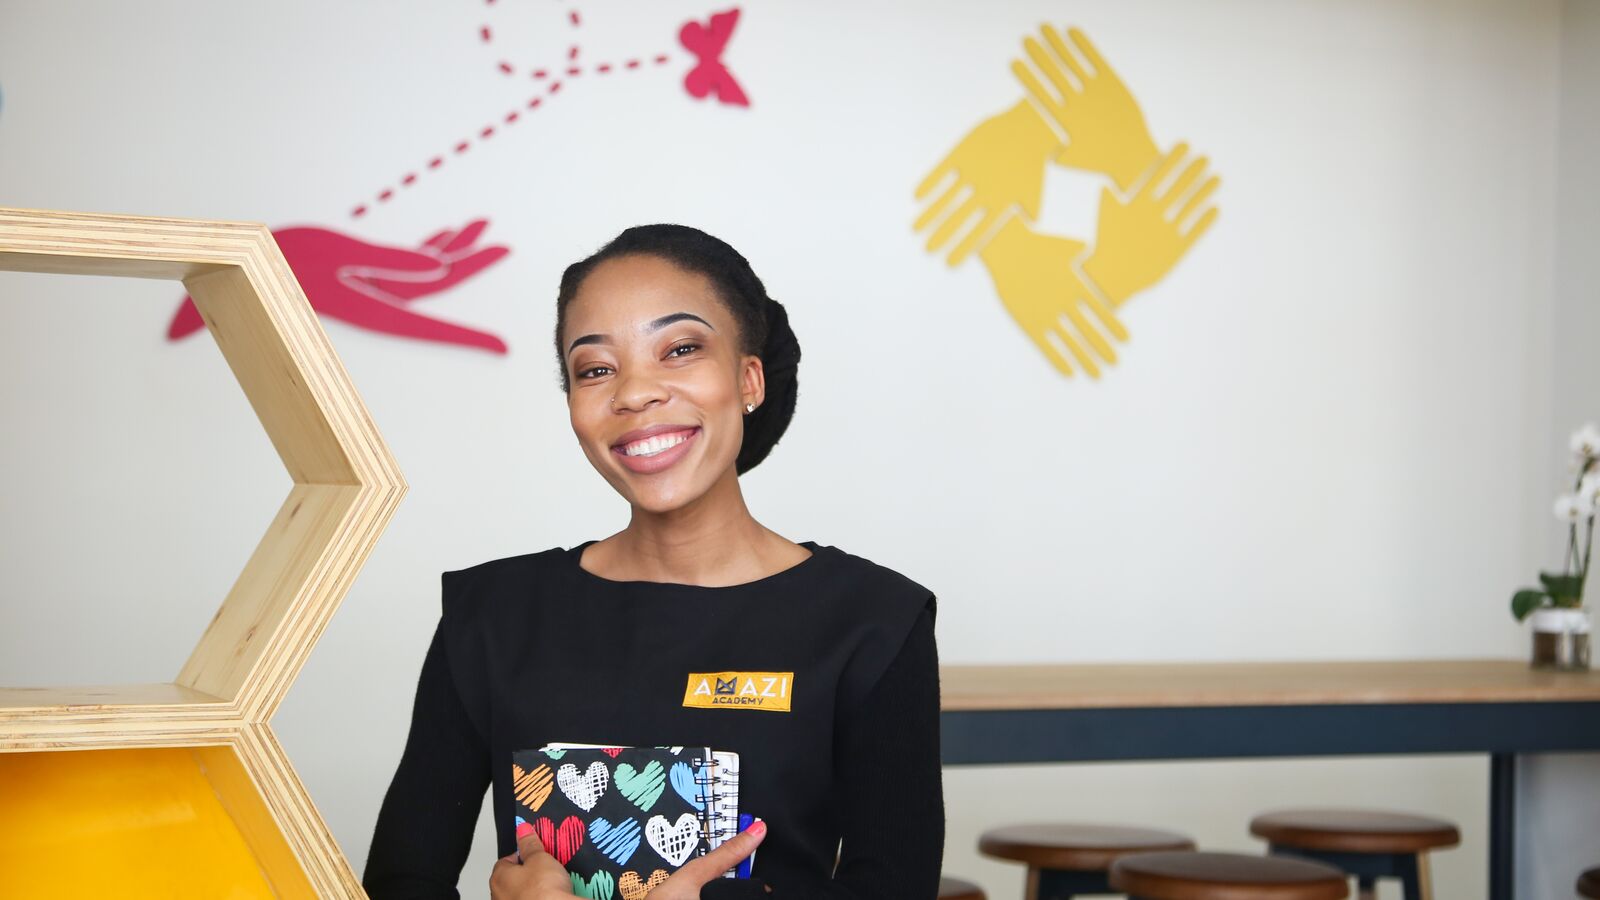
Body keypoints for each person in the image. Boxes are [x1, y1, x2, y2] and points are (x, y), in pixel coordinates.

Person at [362, 224, 945, 899]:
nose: (634, 393)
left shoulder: (874, 622)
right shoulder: (491, 616)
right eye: (595, 368)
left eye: (681, 349)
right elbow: (402, 881)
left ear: (749, 377)